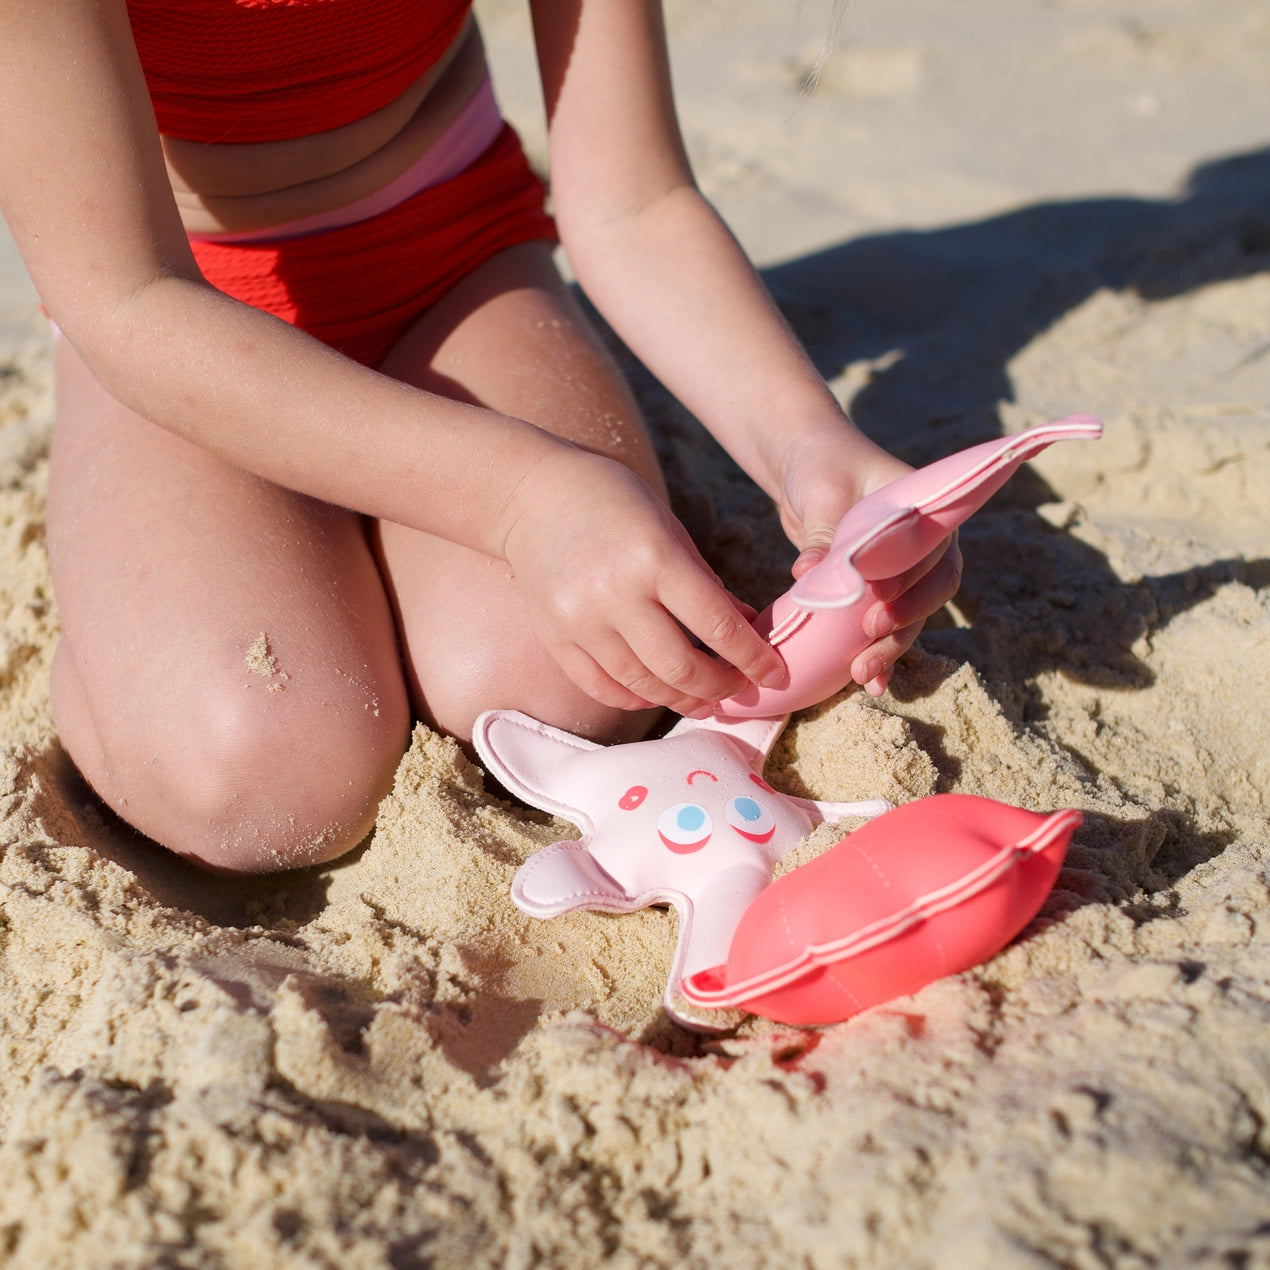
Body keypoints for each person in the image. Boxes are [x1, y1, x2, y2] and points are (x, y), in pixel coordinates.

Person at [0, 0, 961, 873]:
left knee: (563, 687)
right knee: (256, 769)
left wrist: (802, 442)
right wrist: (523, 496)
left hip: (448, 255)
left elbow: (631, 200)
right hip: (178, 320)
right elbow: (127, 301)